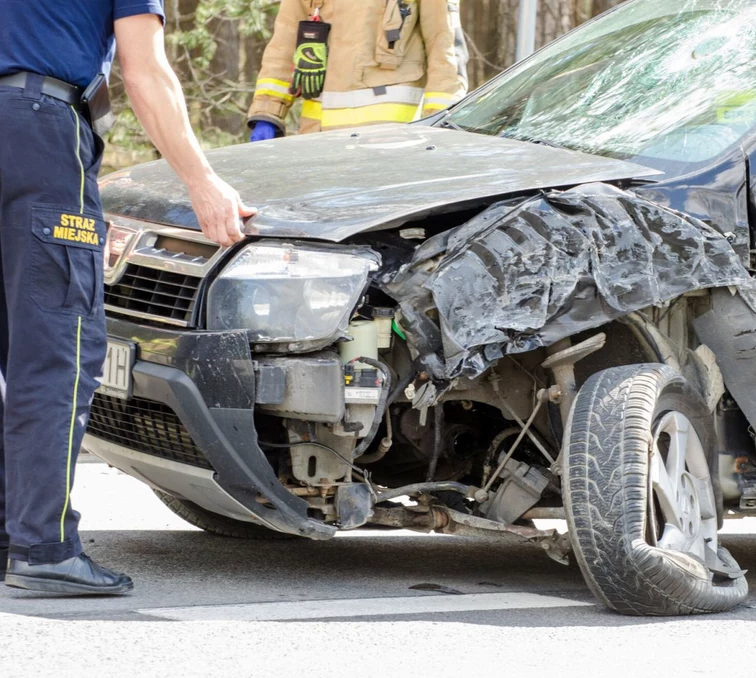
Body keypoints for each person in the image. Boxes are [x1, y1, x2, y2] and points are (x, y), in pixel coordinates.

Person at [0, 1, 254, 595]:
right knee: (57, 344)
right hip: (36, 134)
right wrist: (202, 181)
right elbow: (145, 73)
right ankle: (42, 546)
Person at [247, 0, 469, 141]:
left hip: (393, 142)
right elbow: (284, 42)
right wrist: (267, 113)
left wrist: (441, 125)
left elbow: (444, 48)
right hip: (318, 142)